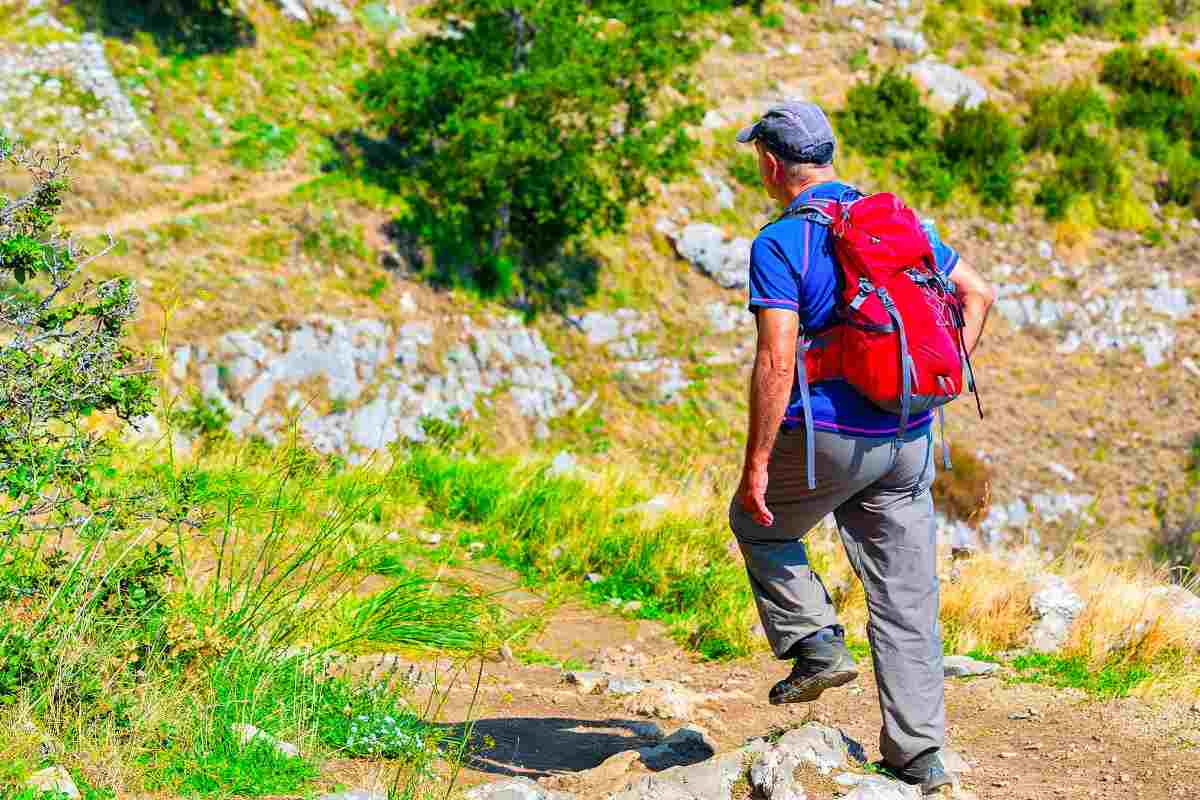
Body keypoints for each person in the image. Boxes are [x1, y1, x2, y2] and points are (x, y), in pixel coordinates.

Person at [728, 101, 995, 795]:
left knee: (757, 521)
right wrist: (938, 382)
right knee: (906, 598)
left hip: (831, 440)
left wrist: (756, 464)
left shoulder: (780, 243)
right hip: (908, 438)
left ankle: (815, 639)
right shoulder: (895, 220)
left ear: (770, 163)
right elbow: (977, 293)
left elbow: (776, 359)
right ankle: (919, 757)